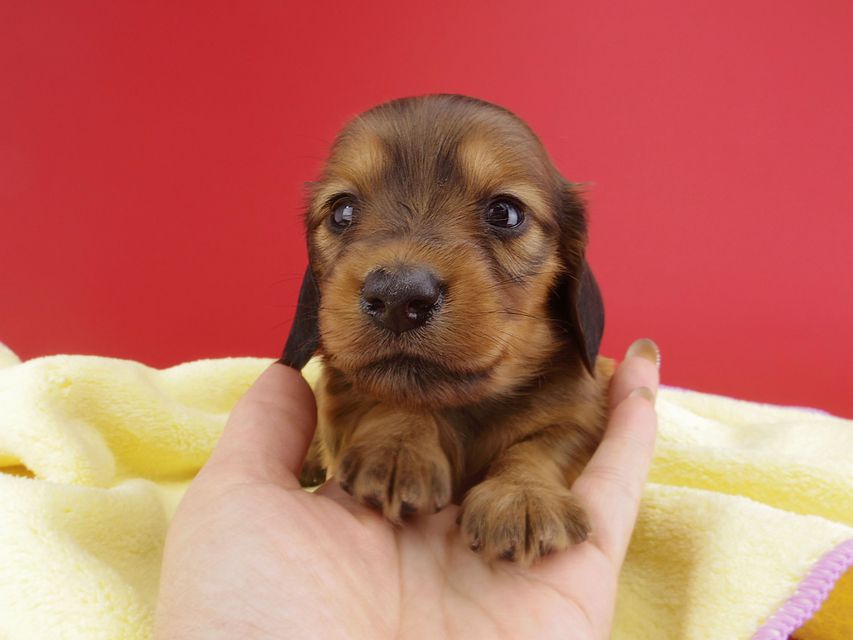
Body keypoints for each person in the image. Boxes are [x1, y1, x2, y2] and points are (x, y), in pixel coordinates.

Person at [154, 339, 660, 639]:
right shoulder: (355, 369)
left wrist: (529, 473)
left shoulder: (573, 381)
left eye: (503, 215)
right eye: (344, 214)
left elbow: (574, 425)